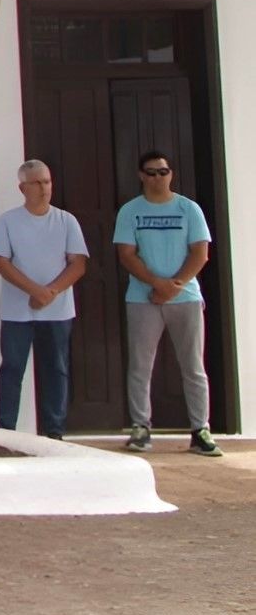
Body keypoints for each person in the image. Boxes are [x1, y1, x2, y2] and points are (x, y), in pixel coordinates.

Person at [113, 152, 221, 457]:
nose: (158, 178)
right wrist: (156, 284)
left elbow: (200, 253)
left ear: (171, 174)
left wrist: (173, 287)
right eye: (152, 172)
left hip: (185, 298)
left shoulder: (189, 209)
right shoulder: (130, 211)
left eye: (163, 172)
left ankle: (201, 430)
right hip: (142, 298)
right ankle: (140, 427)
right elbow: (126, 254)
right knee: (140, 366)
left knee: (193, 366)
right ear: (141, 176)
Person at [0, 160, 89, 440]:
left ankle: (54, 430)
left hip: (57, 312)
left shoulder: (66, 221)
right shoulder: (8, 221)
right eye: (37, 183)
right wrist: (34, 290)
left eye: (47, 181)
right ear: (23, 188)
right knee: (12, 369)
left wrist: (50, 292)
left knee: (56, 369)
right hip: (17, 313)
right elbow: (1, 263)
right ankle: (5, 429)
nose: (44, 188)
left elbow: (78, 264)